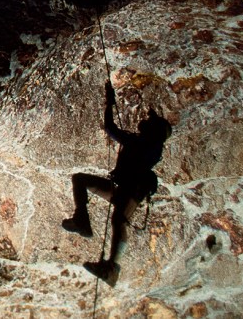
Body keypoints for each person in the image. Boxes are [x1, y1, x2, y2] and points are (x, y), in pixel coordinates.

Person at [61, 81, 171, 285]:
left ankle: (111, 267)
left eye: (150, 121)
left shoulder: (143, 143)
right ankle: (81, 220)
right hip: (129, 187)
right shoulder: (148, 144)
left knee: (119, 219)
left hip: (133, 188)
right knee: (82, 181)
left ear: (153, 131)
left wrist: (109, 103)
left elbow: (111, 128)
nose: (146, 120)